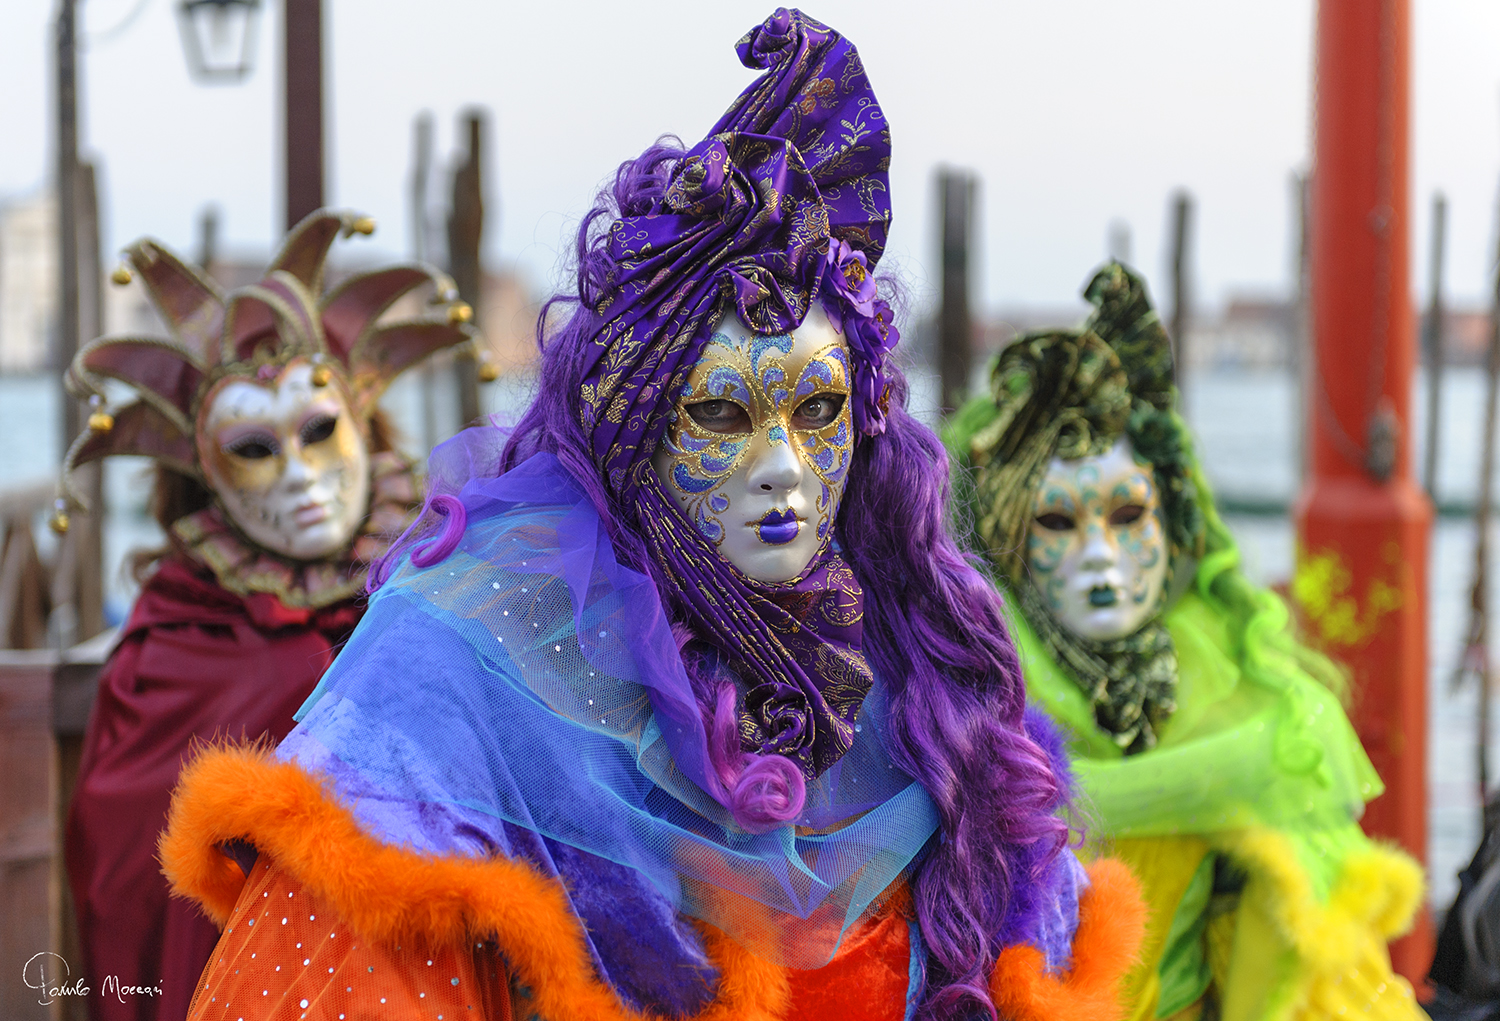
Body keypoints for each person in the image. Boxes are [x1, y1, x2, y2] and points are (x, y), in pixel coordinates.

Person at [159, 10, 1145, 1021]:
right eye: (720, 413)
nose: (784, 470)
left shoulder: (921, 680)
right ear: (632, 433)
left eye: (819, 411)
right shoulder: (456, 675)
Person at [944, 261, 1427, 1021]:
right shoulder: (956, 709)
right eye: (1058, 522)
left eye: (1129, 516)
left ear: (1172, 527)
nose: (1100, 555)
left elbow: (1301, 961)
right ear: (1005, 540)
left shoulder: (1242, 707)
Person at [60, 210, 479, 1021]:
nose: (299, 475)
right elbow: (132, 878)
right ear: (206, 477)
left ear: (363, 422)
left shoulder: (445, 586)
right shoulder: (176, 641)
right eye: (254, 448)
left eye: (320, 432)